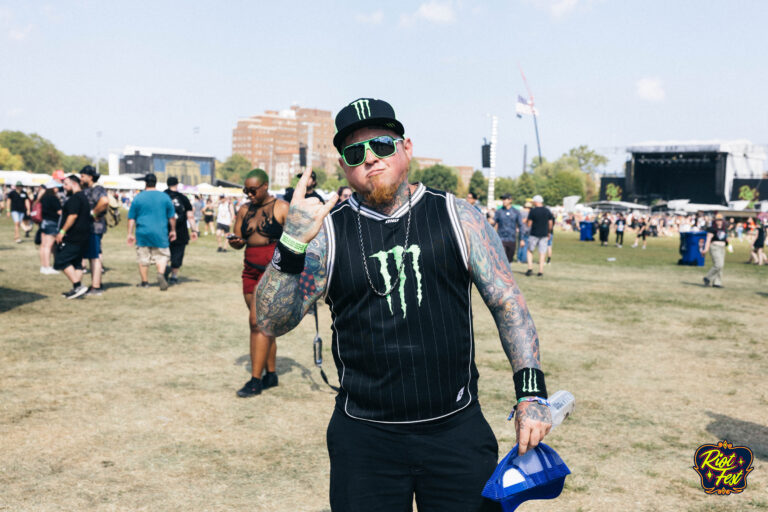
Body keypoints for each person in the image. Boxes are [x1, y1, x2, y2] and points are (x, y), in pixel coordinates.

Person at [253, 98, 551, 512]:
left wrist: (531, 395)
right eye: (356, 153)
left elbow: (508, 304)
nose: (371, 160)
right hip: (364, 438)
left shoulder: (458, 216)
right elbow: (269, 320)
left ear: (406, 149)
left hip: (455, 430)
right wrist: (292, 242)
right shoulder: (327, 233)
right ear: (344, 166)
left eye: (382, 145)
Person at [227, 169, 289, 397]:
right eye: (246, 190)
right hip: (249, 270)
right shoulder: (244, 209)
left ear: (265, 186)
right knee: (263, 326)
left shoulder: (282, 207)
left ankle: (255, 381)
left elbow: (297, 239)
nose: (249, 194)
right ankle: (270, 374)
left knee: (257, 322)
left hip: (272, 271)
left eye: (253, 190)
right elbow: (239, 241)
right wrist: (235, 242)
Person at [126, 173, 176, 290]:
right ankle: (160, 274)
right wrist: (173, 230)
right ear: (156, 182)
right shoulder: (164, 197)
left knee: (143, 258)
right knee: (162, 256)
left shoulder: (138, 197)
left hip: (143, 232)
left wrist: (130, 233)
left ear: (145, 183)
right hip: (160, 232)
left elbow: (131, 217)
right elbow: (171, 217)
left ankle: (145, 282)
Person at [54, 175, 93, 299]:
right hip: (83, 236)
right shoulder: (83, 197)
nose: (64, 187)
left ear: (74, 184)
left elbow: (72, 216)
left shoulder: (75, 198)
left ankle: (78, 286)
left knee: (61, 260)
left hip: (74, 236)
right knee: (76, 262)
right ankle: (77, 289)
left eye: (66, 184)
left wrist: (62, 232)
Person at [79, 165, 109, 296]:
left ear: (90, 177)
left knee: (94, 257)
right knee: (93, 255)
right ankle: (96, 284)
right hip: (92, 227)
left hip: (94, 227)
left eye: (83, 176)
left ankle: (96, 287)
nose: (81, 178)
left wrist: (93, 213)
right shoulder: (91, 189)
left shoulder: (97, 189)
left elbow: (104, 201)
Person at [164, 176, 198, 284]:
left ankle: (163, 269)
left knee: (164, 253)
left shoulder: (162, 196)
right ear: (177, 184)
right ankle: (174, 276)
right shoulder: (183, 198)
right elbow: (190, 216)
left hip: (164, 230)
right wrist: (194, 230)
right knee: (178, 254)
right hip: (181, 231)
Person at [37, 181, 62, 274]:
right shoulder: (53, 198)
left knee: (43, 246)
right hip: (52, 222)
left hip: (44, 222)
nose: (58, 189)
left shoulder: (43, 198)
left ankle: (43, 266)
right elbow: (59, 212)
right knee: (48, 246)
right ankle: (47, 267)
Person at [525, 195, 553, 277]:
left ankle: (530, 268)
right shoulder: (547, 211)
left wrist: (527, 223)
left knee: (530, 250)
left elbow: (529, 224)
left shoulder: (533, 211)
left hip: (534, 234)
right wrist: (549, 232)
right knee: (542, 252)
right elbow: (550, 223)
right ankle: (540, 271)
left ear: (536, 202)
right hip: (544, 234)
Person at [494, 193, 524, 263]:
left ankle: (507, 273)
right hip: (501, 238)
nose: (503, 201)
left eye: (505, 199)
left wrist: (522, 239)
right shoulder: (499, 212)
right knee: (501, 258)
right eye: (503, 199)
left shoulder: (516, 212)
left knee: (509, 259)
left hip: (511, 239)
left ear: (510, 200)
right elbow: (493, 222)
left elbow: (520, 225)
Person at [702, 213, 728, 288]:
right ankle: (707, 277)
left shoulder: (724, 229)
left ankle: (717, 282)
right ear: (715, 220)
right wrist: (705, 249)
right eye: (717, 220)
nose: (719, 221)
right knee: (718, 264)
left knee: (721, 266)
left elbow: (725, 239)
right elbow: (708, 240)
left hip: (722, 248)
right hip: (715, 247)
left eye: (720, 220)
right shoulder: (712, 229)